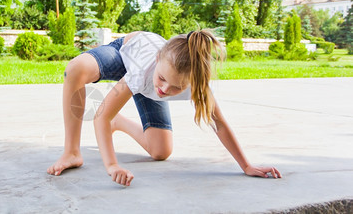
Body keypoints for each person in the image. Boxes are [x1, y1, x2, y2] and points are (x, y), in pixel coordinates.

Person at [47, 30, 281, 186]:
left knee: (161, 152)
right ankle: (72, 152)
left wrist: (247, 166)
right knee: (75, 68)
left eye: (176, 88)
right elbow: (100, 116)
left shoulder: (194, 86)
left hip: (145, 79)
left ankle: (119, 122)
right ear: (158, 58)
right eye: (163, 79)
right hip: (124, 53)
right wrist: (112, 165)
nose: (165, 90)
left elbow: (219, 124)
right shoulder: (144, 71)